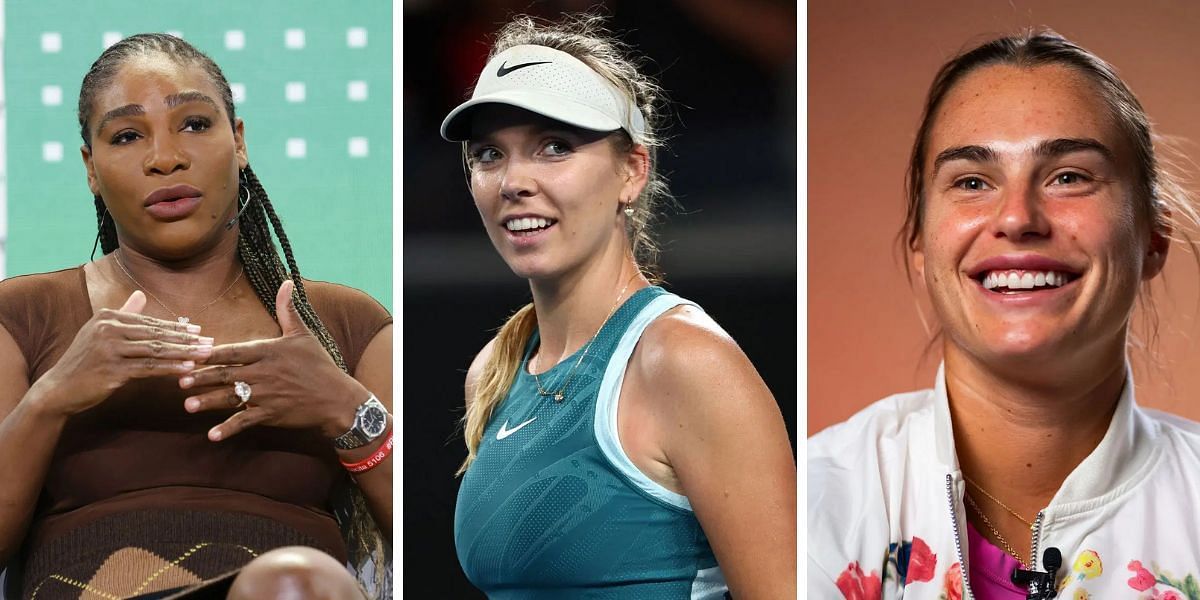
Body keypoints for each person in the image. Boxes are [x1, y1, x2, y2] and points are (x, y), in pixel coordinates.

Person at [808, 30, 1200, 599]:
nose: (1017, 218)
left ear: (1153, 236)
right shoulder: (816, 506)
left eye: (1070, 176)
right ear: (920, 246)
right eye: (971, 181)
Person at [0, 34, 393, 599]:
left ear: (238, 141)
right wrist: (52, 396)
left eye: (194, 125)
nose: (165, 158)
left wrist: (345, 408)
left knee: (293, 586)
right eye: (128, 135)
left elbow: (432, 544)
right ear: (90, 167)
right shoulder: (24, 315)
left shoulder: (347, 324)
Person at [440, 14, 796, 599]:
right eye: (489, 154)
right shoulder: (492, 374)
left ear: (632, 170)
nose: (514, 181)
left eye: (554, 147)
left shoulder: (686, 362)